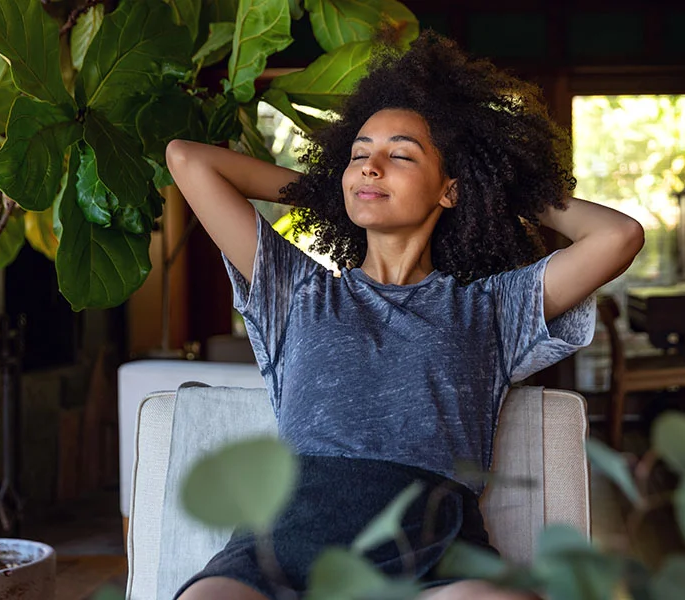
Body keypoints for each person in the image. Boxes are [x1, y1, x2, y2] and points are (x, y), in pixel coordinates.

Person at [165, 31, 644, 600]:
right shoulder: (295, 289)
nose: (371, 167)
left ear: (449, 190)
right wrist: (329, 190)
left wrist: (498, 189)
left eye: (400, 155)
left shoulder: (491, 309)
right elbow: (187, 159)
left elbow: (618, 236)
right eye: (358, 154)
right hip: (283, 544)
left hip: (433, 553)